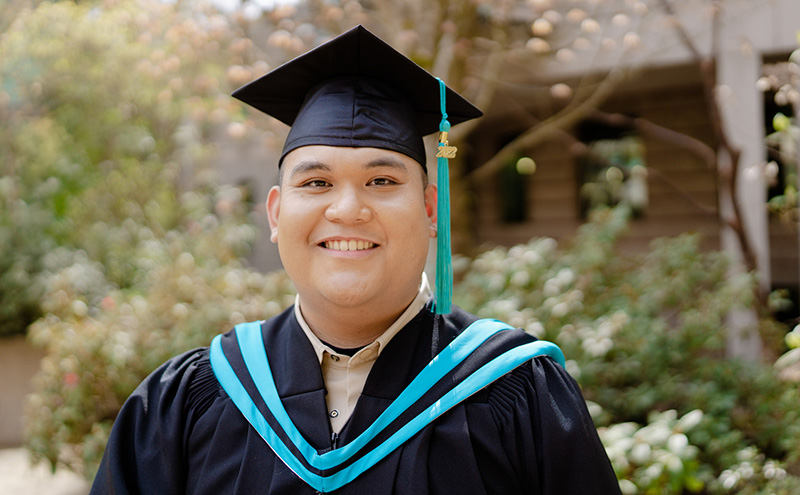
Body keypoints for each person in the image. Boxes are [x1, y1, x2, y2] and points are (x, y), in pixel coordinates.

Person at [90, 25, 622, 494]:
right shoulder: (187, 402)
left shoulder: (519, 394)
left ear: (430, 208)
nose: (347, 209)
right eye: (316, 183)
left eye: (382, 181)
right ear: (275, 215)